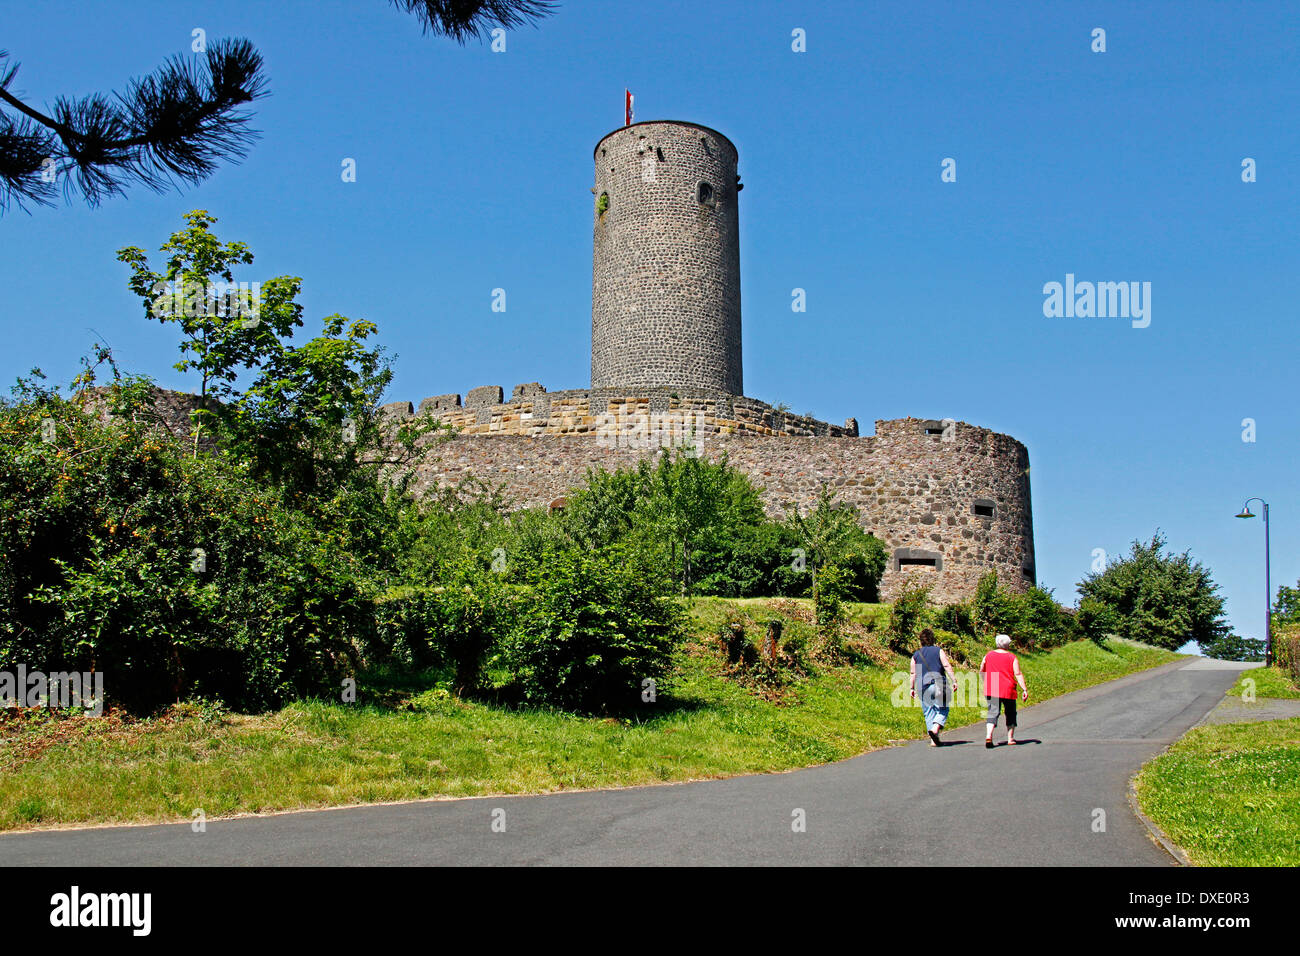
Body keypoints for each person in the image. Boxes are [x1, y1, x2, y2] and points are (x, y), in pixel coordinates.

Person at [909, 628, 957, 746]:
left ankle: (933, 740)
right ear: (932, 639)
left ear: (921, 640)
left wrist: (912, 688)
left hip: (923, 687)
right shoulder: (938, 651)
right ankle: (935, 729)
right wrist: (954, 680)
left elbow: (913, 673)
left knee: (929, 712)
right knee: (943, 709)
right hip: (938, 684)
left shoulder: (916, 654)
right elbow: (946, 665)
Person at [980, 633, 1028, 748]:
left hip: (992, 686)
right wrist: (1024, 689)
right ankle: (1010, 738)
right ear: (1007, 644)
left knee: (993, 712)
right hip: (1008, 688)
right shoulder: (1012, 657)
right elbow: (1018, 673)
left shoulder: (988, 655)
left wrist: (985, 681)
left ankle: (988, 736)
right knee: (1010, 712)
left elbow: (982, 669)